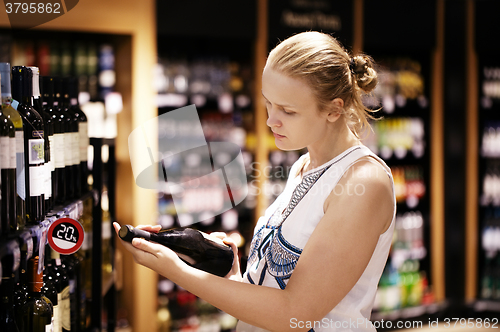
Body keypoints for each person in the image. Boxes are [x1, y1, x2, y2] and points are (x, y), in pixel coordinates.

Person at [114, 31, 395, 331]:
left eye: (288, 111)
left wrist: (175, 270)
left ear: (334, 109)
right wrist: (230, 273)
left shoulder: (364, 182)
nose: (270, 120)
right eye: (268, 104)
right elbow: (271, 295)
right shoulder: (304, 166)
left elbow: (294, 315)